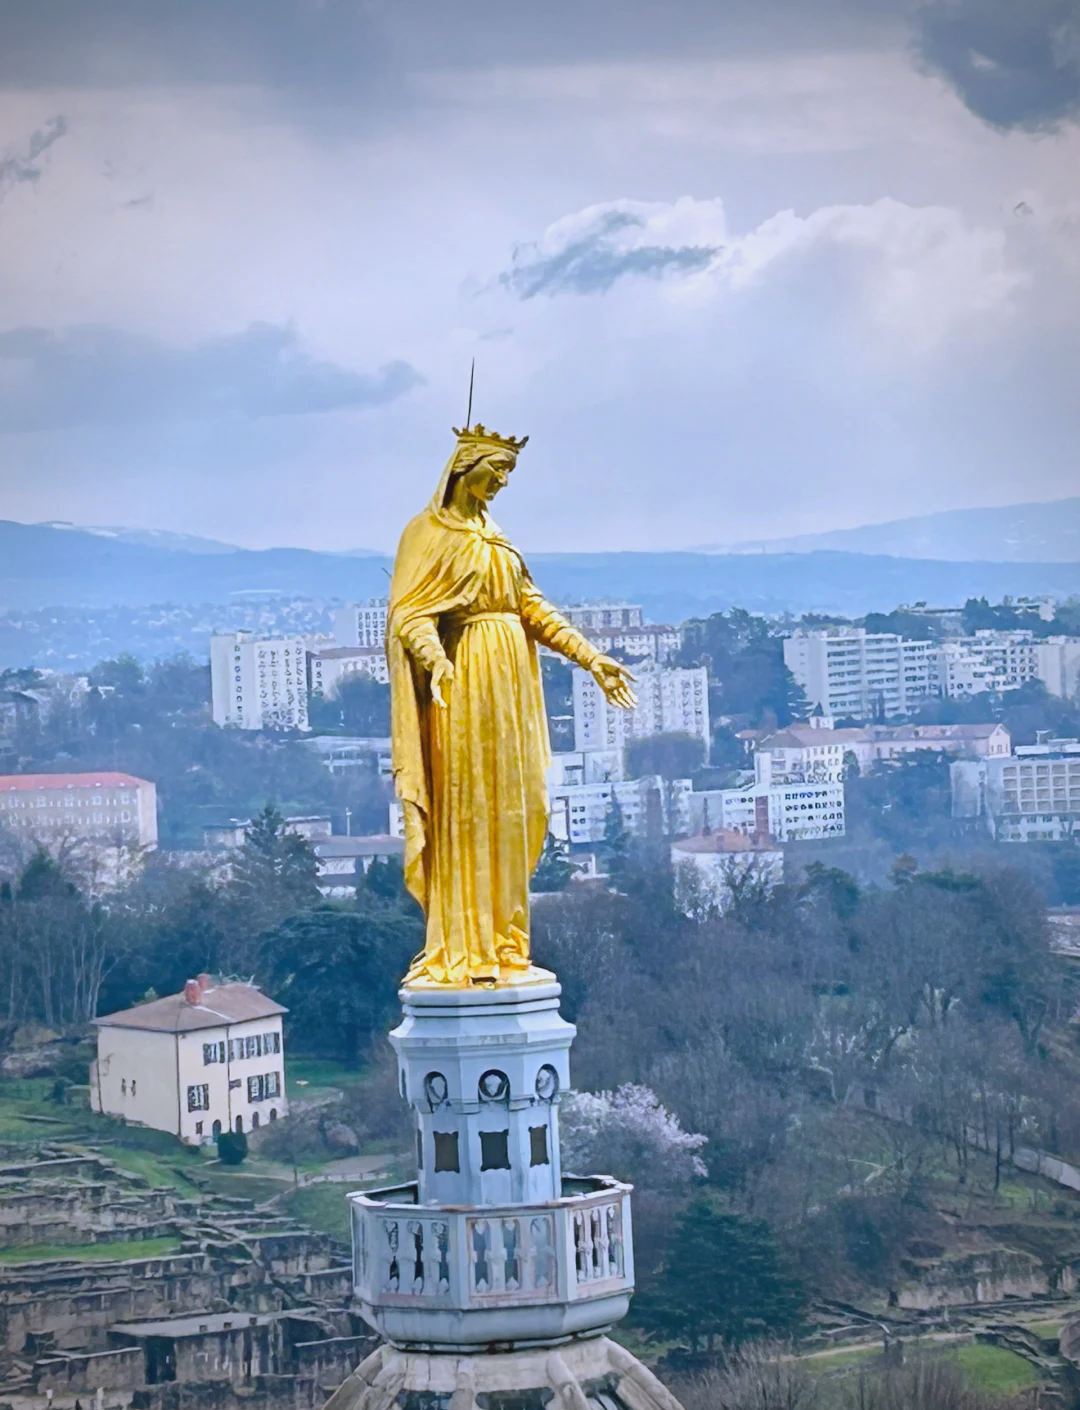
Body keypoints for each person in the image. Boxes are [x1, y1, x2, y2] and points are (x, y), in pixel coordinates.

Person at [389, 423, 636, 985]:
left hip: (514, 688)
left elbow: (531, 607)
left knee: (520, 806)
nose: (501, 482)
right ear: (463, 466)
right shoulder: (426, 533)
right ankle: (465, 942)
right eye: (495, 469)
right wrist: (436, 658)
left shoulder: (494, 535)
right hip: (465, 681)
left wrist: (591, 658)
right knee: (469, 805)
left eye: (509, 474)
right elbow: (410, 614)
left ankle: (506, 942)